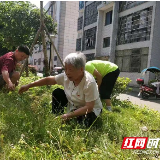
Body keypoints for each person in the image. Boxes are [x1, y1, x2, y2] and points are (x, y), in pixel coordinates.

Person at [19, 52, 103, 127]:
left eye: (70, 69)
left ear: (81, 69)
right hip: (74, 106)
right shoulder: (66, 76)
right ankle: (57, 116)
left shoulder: (89, 82)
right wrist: (29, 85)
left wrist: (68, 115)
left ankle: (66, 118)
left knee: (83, 122)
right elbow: (49, 80)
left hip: (90, 111)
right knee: (58, 92)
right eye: (65, 69)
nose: (67, 72)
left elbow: (89, 107)